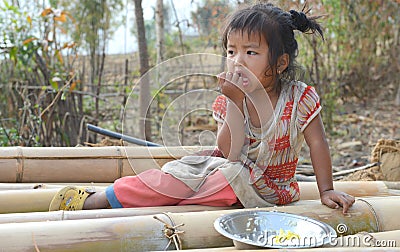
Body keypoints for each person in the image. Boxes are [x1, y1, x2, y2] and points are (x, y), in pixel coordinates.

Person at [49, 2, 355, 213]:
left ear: (280, 63)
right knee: (178, 172)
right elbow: (228, 151)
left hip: (268, 189)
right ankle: (106, 198)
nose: (237, 60)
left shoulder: (299, 98)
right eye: (231, 51)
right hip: (228, 169)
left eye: (250, 52)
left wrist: (326, 190)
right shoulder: (230, 97)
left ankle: (143, 202)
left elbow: (318, 144)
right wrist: (235, 101)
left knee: (215, 183)